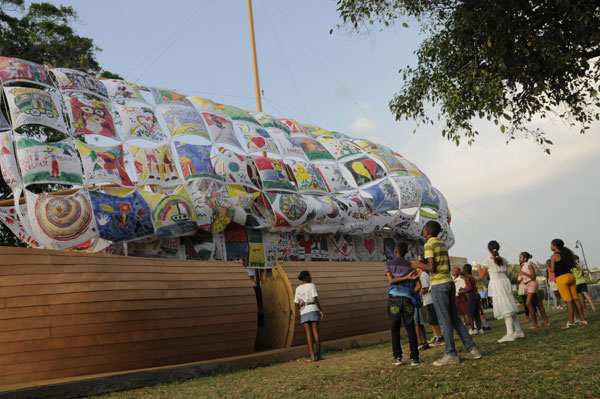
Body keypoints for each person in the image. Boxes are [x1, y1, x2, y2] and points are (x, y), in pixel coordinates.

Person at [411, 221, 481, 366]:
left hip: (439, 285)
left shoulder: (429, 244)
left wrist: (418, 265)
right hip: (449, 283)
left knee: (445, 320)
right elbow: (445, 265)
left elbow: (431, 267)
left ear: (428, 231)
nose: (423, 231)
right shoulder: (441, 244)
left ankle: (451, 354)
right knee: (455, 318)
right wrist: (424, 263)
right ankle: (472, 349)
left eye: (424, 229)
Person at [477, 241, 524, 343]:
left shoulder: (488, 261)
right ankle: (519, 331)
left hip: (497, 284)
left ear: (489, 249)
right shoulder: (504, 260)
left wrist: (478, 267)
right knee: (510, 306)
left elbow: (481, 276)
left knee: (505, 308)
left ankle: (510, 334)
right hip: (505, 282)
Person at [385, 242, 423, 366]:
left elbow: (391, 280)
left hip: (394, 299)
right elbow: (418, 285)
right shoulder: (410, 266)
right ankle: (414, 358)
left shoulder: (389, 264)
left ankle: (397, 358)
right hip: (407, 299)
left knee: (395, 329)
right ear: (406, 251)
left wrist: (404, 277)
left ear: (396, 251)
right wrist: (410, 292)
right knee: (410, 328)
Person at [550, 239, 587, 329]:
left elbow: (552, 270)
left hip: (562, 279)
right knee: (575, 299)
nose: (550, 246)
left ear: (555, 246)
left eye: (551, 245)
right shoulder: (567, 254)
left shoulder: (554, 256)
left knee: (568, 301)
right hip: (571, 277)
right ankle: (582, 320)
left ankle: (571, 322)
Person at [294, 270, 324, 361]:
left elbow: (296, 302)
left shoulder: (298, 288)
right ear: (306, 277)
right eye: (309, 276)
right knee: (316, 333)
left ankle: (311, 356)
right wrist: (321, 310)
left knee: (308, 334)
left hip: (304, 310)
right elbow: (315, 299)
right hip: (313, 309)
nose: (311, 277)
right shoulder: (312, 285)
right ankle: (318, 355)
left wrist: (300, 310)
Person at [516, 252, 549, 328]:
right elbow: (520, 279)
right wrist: (519, 275)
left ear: (525, 258)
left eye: (520, 257)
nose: (519, 258)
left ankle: (535, 323)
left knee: (528, 303)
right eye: (519, 257)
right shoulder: (523, 266)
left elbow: (533, 276)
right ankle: (546, 321)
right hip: (527, 285)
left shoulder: (529, 265)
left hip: (532, 284)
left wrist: (523, 273)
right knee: (538, 303)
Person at [420, 270, 444, 347]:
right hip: (428, 300)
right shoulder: (424, 274)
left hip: (430, 300)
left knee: (434, 320)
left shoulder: (423, 275)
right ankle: (436, 336)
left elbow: (426, 288)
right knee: (431, 320)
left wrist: (418, 293)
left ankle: (440, 338)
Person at [462, 264, 483, 334]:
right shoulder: (471, 276)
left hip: (472, 296)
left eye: (463, 269)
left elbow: (470, 288)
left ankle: (473, 329)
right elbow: (472, 287)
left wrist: (463, 291)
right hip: (476, 295)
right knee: (476, 313)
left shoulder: (467, 277)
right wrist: (464, 288)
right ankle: (479, 329)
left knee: (469, 314)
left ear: (465, 269)